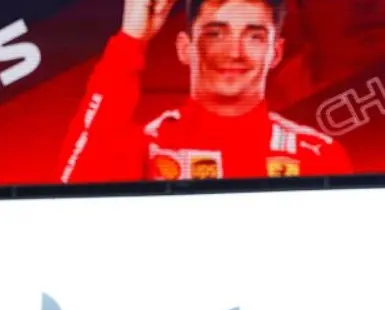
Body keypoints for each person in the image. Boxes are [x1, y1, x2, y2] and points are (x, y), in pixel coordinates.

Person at [59, 0, 352, 184]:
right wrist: (131, 40)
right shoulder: (148, 148)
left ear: (275, 53)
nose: (234, 53)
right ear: (185, 48)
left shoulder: (318, 156)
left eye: (254, 36)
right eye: (215, 34)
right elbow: (72, 190)